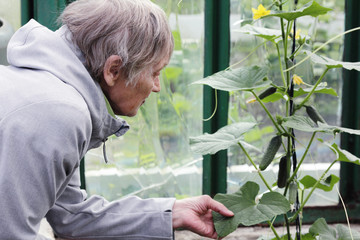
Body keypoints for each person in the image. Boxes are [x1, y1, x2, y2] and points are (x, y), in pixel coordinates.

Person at [0, 0, 234, 239]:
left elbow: (72, 215)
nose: (157, 87)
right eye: (154, 72)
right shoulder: (59, 112)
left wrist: (172, 212)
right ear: (113, 70)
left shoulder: (55, 95)